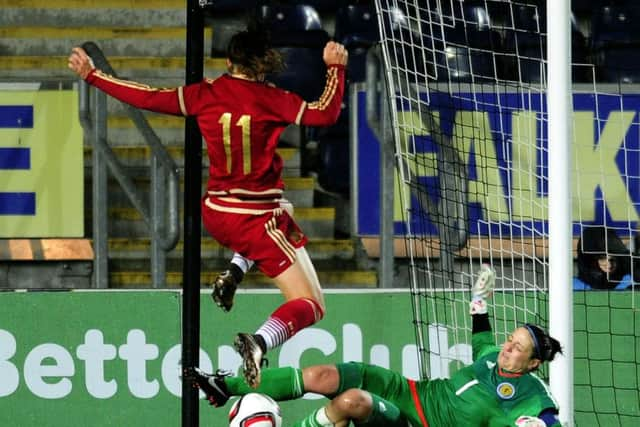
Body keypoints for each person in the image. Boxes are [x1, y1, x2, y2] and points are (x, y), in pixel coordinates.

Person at [68, 28, 349, 389]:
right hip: (255, 219)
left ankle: (234, 270)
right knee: (311, 304)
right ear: (264, 63)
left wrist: (93, 75)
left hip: (217, 211)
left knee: (285, 208)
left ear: (228, 62)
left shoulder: (205, 94)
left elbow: (147, 97)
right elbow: (324, 114)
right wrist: (335, 68)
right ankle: (260, 342)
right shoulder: (273, 98)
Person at [185, 265, 563, 427]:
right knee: (321, 374)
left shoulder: (532, 392)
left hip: (420, 424)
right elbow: (482, 337)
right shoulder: (490, 358)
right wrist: (479, 302)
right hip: (411, 392)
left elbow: (548, 418)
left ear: (532, 365)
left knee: (352, 402)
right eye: (510, 340)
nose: (507, 349)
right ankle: (223, 386)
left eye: (516, 349)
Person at [573, 226, 633, 290]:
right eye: (603, 258)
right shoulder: (574, 284)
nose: (609, 264)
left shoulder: (629, 280)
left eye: (612, 259)